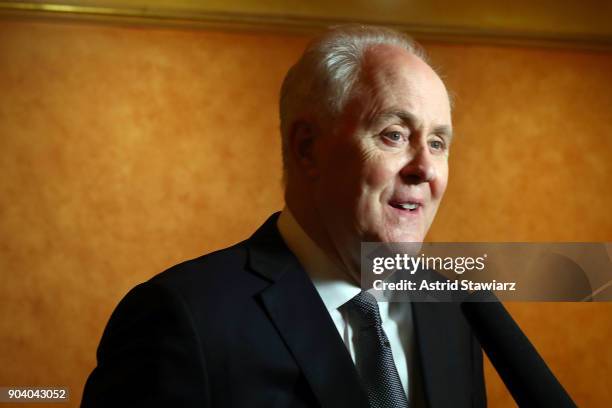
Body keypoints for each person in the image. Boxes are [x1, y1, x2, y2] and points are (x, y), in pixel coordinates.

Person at [82, 25, 486, 408]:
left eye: (437, 143)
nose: (426, 169)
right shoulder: (181, 318)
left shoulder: (455, 309)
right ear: (307, 149)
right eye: (394, 135)